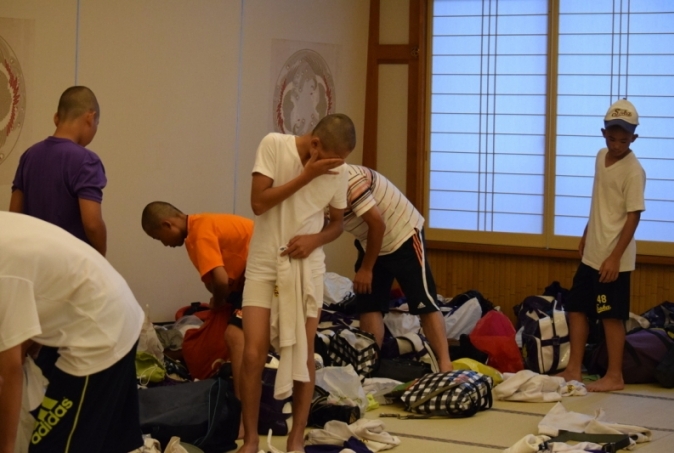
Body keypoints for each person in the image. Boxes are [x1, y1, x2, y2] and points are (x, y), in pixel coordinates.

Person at [238, 113, 355, 453]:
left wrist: (315, 240)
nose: (337, 166)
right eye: (333, 159)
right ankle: (250, 439)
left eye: (342, 161)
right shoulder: (274, 145)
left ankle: (296, 439)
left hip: (307, 266)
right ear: (315, 144)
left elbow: (337, 224)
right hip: (264, 262)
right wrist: (307, 176)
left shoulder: (341, 171)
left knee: (304, 352)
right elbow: (258, 203)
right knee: (253, 353)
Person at [0, 211, 144, 453]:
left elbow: (9, 373)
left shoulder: (3, 270)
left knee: (53, 446)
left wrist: (5, 448)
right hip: (113, 309)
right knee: (103, 441)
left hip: (98, 333)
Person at [557, 98, 646, 392]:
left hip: (614, 257)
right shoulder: (600, 156)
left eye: (624, 140)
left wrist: (615, 258)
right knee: (576, 308)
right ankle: (573, 368)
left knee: (610, 316)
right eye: (612, 138)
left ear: (634, 138)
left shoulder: (634, 171)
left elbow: (633, 216)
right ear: (603, 133)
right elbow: (600, 201)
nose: (617, 145)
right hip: (593, 252)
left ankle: (615, 376)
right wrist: (587, 232)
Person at [343, 164, 452, 372]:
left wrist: (366, 269)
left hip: (403, 234)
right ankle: (369, 367)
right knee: (369, 303)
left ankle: (445, 365)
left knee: (424, 302)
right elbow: (331, 224)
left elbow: (378, 225)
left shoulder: (350, 180)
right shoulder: (314, 185)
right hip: (369, 240)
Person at [141, 202, 253, 398]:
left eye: (159, 238)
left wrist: (217, 302)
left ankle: (241, 401)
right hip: (249, 277)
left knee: (234, 337)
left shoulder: (199, 234)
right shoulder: (199, 226)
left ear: (167, 225)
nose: (164, 244)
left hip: (264, 275)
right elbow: (216, 281)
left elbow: (221, 281)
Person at [9, 86, 107, 256]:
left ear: (56, 118)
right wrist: (100, 258)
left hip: (33, 261)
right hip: (69, 263)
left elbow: (14, 215)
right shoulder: (87, 161)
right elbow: (92, 224)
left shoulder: (29, 156)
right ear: (90, 118)